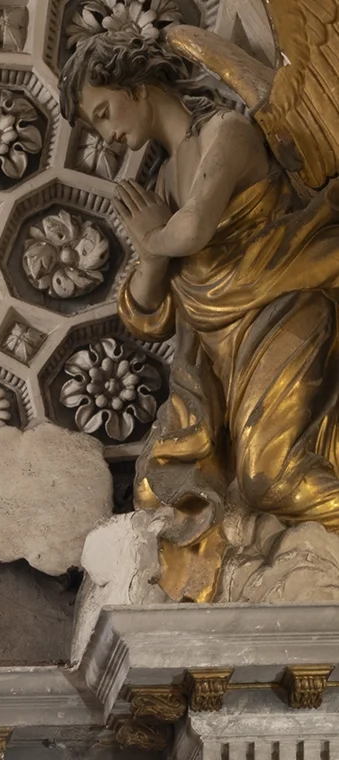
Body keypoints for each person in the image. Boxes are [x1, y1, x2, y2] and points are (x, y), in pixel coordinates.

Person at [63, 24, 339, 600]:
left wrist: (153, 238)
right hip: (217, 348)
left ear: (137, 86)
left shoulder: (229, 132)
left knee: (269, 478)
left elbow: (191, 231)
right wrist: (151, 250)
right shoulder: (163, 177)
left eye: (105, 111)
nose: (109, 133)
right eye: (96, 125)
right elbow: (147, 312)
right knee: (179, 489)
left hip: (283, 306)